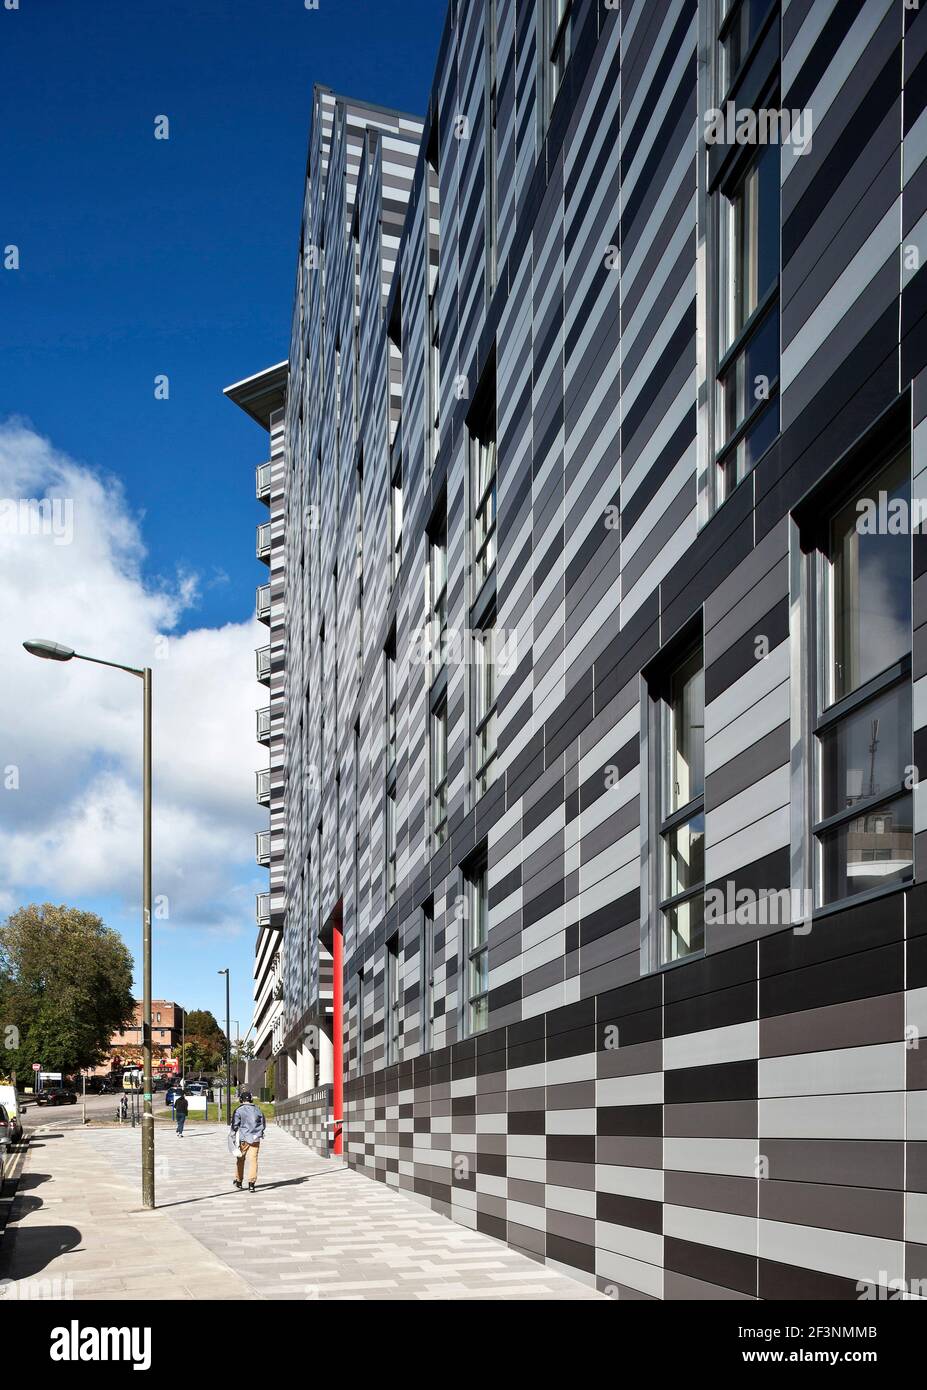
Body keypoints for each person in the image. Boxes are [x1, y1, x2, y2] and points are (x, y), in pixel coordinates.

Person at [230, 1090, 265, 1192]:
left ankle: (239, 1180)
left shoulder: (239, 1110)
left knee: (240, 1160)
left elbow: (234, 1125)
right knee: (253, 1160)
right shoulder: (258, 1110)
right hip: (255, 1139)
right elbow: (263, 1124)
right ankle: (252, 1183)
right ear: (251, 1099)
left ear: (241, 1099)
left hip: (243, 1139)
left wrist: (232, 1137)